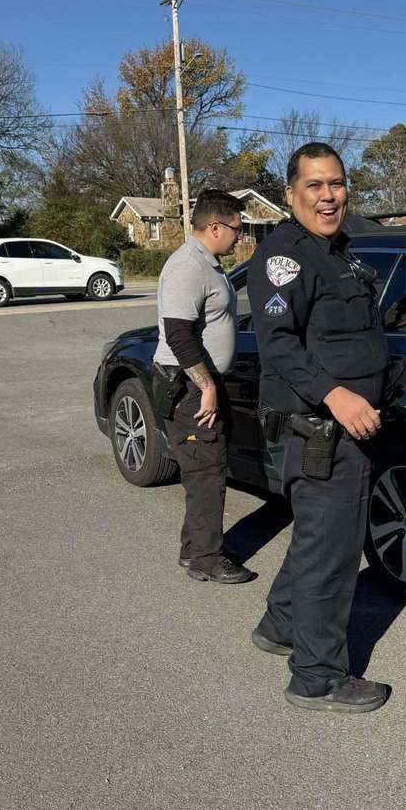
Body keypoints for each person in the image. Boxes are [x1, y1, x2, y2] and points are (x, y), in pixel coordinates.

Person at [247, 143, 391, 714]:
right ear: (290, 194)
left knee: (318, 539)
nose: (328, 196)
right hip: (320, 429)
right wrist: (337, 395)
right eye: (314, 185)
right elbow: (278, 344)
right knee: (330, 554)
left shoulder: (337, 251)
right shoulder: (283, 256)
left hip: (344, 426)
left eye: (336, 183)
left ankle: (280, 626)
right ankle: (317, 676)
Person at [154, 188, 256, 585]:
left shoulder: (208, 264)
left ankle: (193, 548)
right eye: (236, 228)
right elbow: (178, 334)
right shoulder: (187, 266)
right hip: (189, 389)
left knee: (205, 469)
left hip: (202, 383)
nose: (240, 236)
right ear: (215, 226)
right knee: (206, 474)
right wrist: (207, 386)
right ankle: (206, 559)